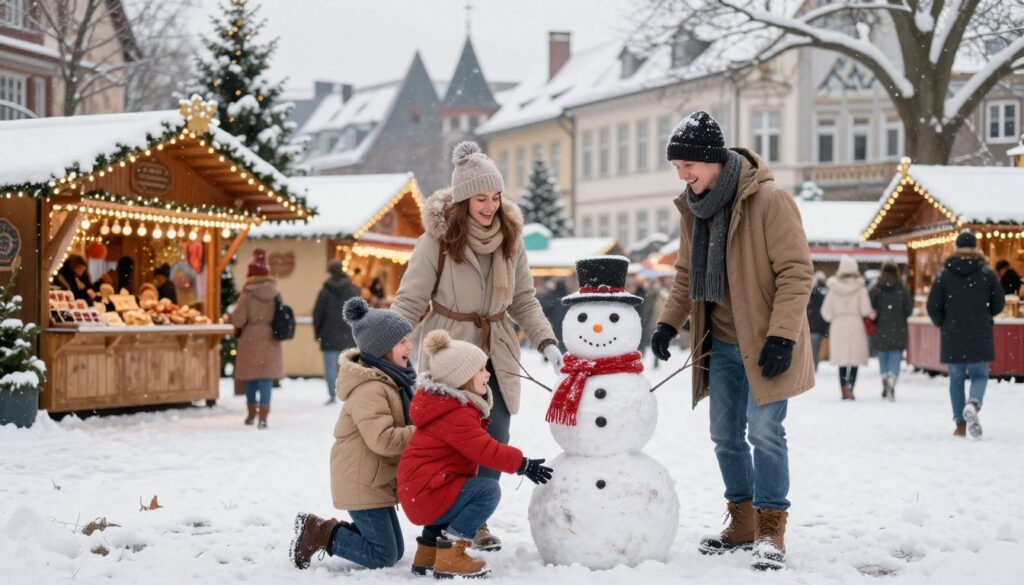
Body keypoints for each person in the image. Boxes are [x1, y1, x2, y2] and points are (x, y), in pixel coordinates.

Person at [648, 111, 814, 571]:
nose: (682, 176)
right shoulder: (695, 208)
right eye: (677, 167)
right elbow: (685, 274)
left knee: (765, 432)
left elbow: (797, 272)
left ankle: (770, 530)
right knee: (724, 435)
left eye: (687, 166)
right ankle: (741, 522)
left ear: (711, 161)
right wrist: (667, 323)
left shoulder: (769, 200)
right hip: (719, 342)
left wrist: (782, 335)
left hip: (765, 343)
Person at [389, 141, 560, 550]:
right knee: (452, 439)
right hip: (449, 349)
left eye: (496, 197)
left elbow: (523, 299)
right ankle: (449, 514)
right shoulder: (437, 241)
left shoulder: (511, 240)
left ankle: (476, 520)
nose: (489, 205)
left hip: (497, 353)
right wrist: (387, 341)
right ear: (463, 200)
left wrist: (547, 342)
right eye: (481, 198)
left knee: (495, 434)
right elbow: (411, 299)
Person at [397, 330, 552, 578]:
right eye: (481, 369)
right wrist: (523, 464)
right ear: (462, 378)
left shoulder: (448, 406)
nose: (487, 373)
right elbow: (485, 450)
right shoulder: (456, 413)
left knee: (453, 491)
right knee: (487, 491)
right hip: (425, 492)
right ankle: (452, 554)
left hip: (421, 491)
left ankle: (427, 553)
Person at [290, 297, 416, 571]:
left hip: (375, 481)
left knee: (395, 551)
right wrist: (420, 433)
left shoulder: (394, 381)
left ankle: (331, 530)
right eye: (402, 341)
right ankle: (319, 532)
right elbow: (383, 440)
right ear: (383, 349)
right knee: (383, 555)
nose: (410, 346)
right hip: (361, 482)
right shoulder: (370, 389)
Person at [927, 231, 1004, 438]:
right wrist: (986, 315)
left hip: (953, 334)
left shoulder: (945, 275)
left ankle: (960, 424)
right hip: (980, 332)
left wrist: (943, 323)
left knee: (956, 379)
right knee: (979, 375)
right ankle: (973, 403)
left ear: (956, 247)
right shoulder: (987, 274)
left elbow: (933, 306)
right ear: (976, 247)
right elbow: (999, 303)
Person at [230, 249, 284, 428]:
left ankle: (251, 412)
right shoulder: (275, 292)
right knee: (266, 378)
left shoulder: (247, 294)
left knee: (251, 377)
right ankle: (264, 416)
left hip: (250, 339)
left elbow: (238, 318)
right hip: (270, 338)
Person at [821, 255, 874, 400]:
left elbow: (825, 312)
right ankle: (850, 387)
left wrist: (835, 317)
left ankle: (844, 389)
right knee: (854, 360)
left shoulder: (833, 289)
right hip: (855, 325)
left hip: (838, 326)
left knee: (842, 361)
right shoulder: (860, 289)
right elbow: (865, 310)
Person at [312, 260, 362, 404]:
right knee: (348, 365)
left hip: (329, 335)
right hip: (349, 334)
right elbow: (360, 313)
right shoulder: (353, 290)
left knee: (330, 367)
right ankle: (349, 392)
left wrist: (318, 333)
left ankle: (332, 394)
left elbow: (318, 315)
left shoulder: (324, 292)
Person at [869, 262, 913, 400]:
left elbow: (870, 307)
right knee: (895, 355)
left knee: (883, 355)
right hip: (898, 328)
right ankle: (892, 379)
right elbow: (909, 309)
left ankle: (884, 378)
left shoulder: (877, 289)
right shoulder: (902, 289)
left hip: (881, 327)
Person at [806, 272, 829, 372]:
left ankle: (813, 367)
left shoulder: (819, 292)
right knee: (814, 347)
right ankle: (813, 366)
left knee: (814, 347)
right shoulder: (822, 291)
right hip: (815, 325)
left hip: (814, 325)